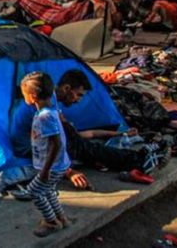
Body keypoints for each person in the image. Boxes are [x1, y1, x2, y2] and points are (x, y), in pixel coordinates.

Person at [10, 70, 167, 188]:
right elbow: (49, 146)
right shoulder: (43, 111)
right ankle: (139, 160)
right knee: (82, 146)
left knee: (82, 142)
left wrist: (120, 133)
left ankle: (135, 159)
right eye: (78, 95)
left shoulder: (50, 102)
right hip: (29, 149)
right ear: (66, 88)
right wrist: (69, 172)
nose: (79, 100)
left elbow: (80, 134)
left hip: (41, 143)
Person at [20, 72, 72, 237]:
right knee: (48, 190)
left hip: (52, 166)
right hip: (58, 164)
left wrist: (45, 170)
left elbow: (56, 143)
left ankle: (51, 222)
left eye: (24, 94)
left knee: (34, 192)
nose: (24, 98)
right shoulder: (51, 108)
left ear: (33, 96)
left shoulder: (45, 116)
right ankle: (62, 218)